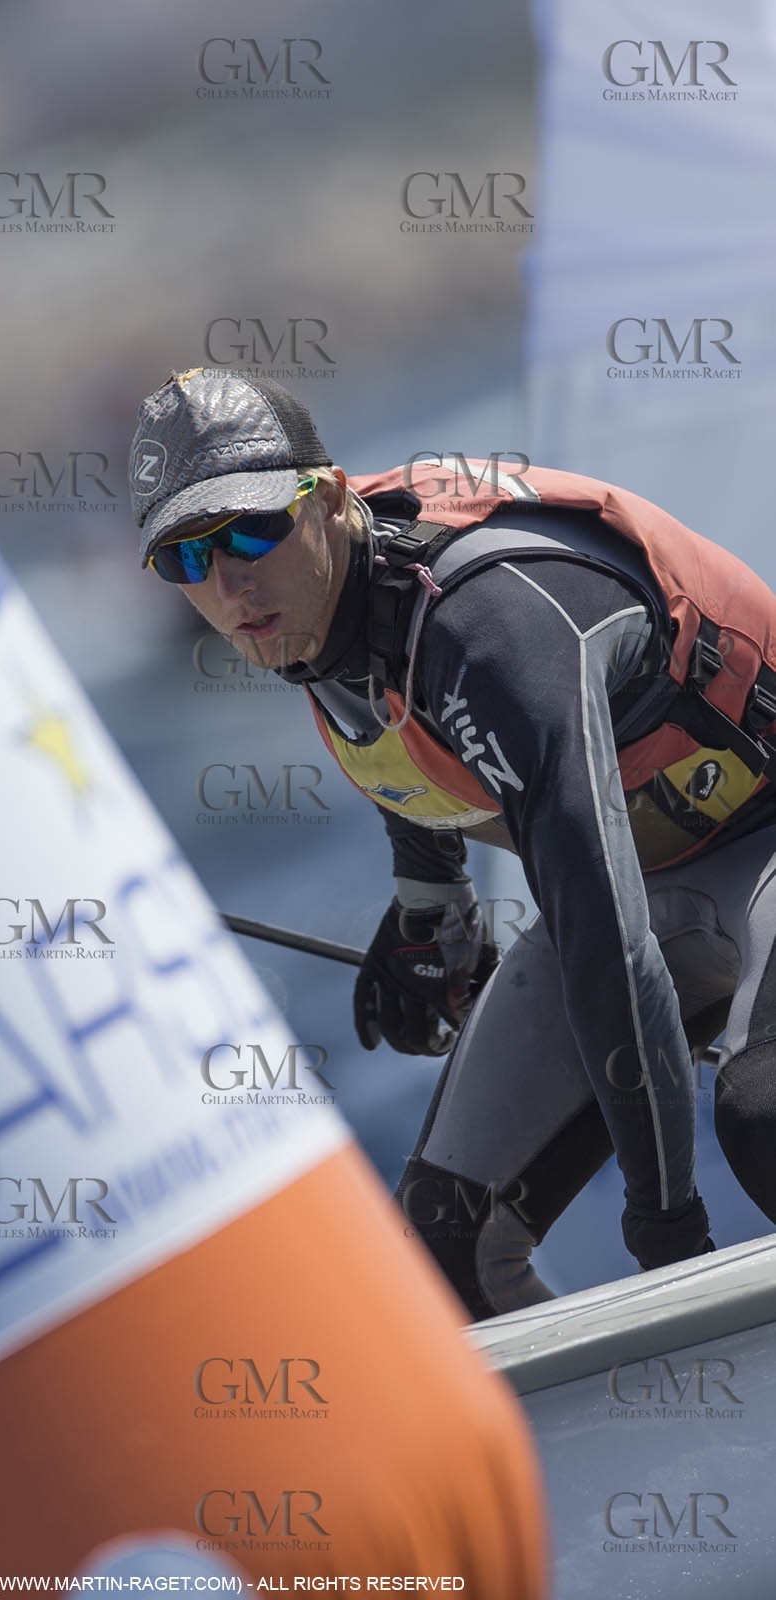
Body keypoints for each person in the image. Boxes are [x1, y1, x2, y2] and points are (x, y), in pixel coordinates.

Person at [128, 365, 776, 1320]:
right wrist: (430, 909)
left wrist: (668, 1223)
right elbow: (408, 731)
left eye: (251, 530)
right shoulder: (311, 608)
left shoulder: (493, 622)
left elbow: (605, 936)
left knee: (761, 1118)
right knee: (441, 1262)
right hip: (652, 888)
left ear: (332, 497)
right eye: (186, 558)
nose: (228, 581)